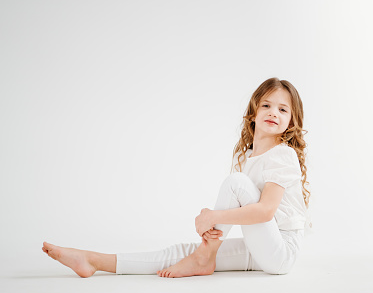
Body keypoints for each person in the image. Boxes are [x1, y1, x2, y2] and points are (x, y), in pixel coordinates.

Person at [42, 77, 311, 278]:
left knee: (235, 185)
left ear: (291, 121)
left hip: (281, 251)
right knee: (185, 252)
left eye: (283, 109)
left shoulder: (282, 155)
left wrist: (213, 217)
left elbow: (265, 212)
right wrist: (213, 224)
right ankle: (93, 260)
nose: (273, 112)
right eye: (266, 104)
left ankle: (204, 258)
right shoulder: (244, 157)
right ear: (254, 112)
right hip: (261, 247)